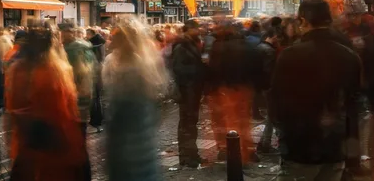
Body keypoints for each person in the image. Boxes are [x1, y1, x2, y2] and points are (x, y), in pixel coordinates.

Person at [270, 0, 362, 181]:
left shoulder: (291, 55)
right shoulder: (349, 55)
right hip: (336, 146)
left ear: (303, 21)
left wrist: (284, 139)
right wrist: (353, 154)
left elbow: (277, 103)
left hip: (301, 145)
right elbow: (353, 106)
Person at [5, 23, 88, 180]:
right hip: (56, 148)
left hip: (26, 146)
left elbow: (10, 110)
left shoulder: (16, 69)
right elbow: (66, 113)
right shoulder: (58, 70)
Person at [103, 17, 167, 181]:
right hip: (141, 145)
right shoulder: (146, 63)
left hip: (128, 148)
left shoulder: (127, 68)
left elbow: (121, 111)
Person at [209, 22, 259, 163]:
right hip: (245, 88)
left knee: (227, 121)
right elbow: (255, 65)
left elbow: (214, 69)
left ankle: (232, 153)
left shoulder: (219, 46)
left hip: (225, 88)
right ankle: (247, 150)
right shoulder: (246, 45)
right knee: (243, 121)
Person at [60, 21, 96, 180]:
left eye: (63, 33)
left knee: (74, 143)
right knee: (80, 142)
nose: (61, 36)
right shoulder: (86, 47)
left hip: (74, 102)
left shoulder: (72, 51)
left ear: (69, 33)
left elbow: (69, 76)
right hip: (84, 100)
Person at [171, 19, 208, 167]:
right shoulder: (181, 47)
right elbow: (179, 70)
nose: (198, 31)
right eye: (195, 29)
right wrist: (200, 68)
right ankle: (186, 156)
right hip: (187, 91)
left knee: (191, 123)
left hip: (193, 89)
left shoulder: (190, 44)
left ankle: (192, 153)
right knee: (187, 123)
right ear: (188, 30)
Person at [86, 28, 106, 132]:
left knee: (94, 98)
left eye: (87, 34)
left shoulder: (93, 44)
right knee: (97, 98)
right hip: (99, 72)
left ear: (92, 34)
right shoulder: (101, 42)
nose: (86, 36)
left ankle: (96, 121)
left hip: (95, 73)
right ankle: (98, 121)